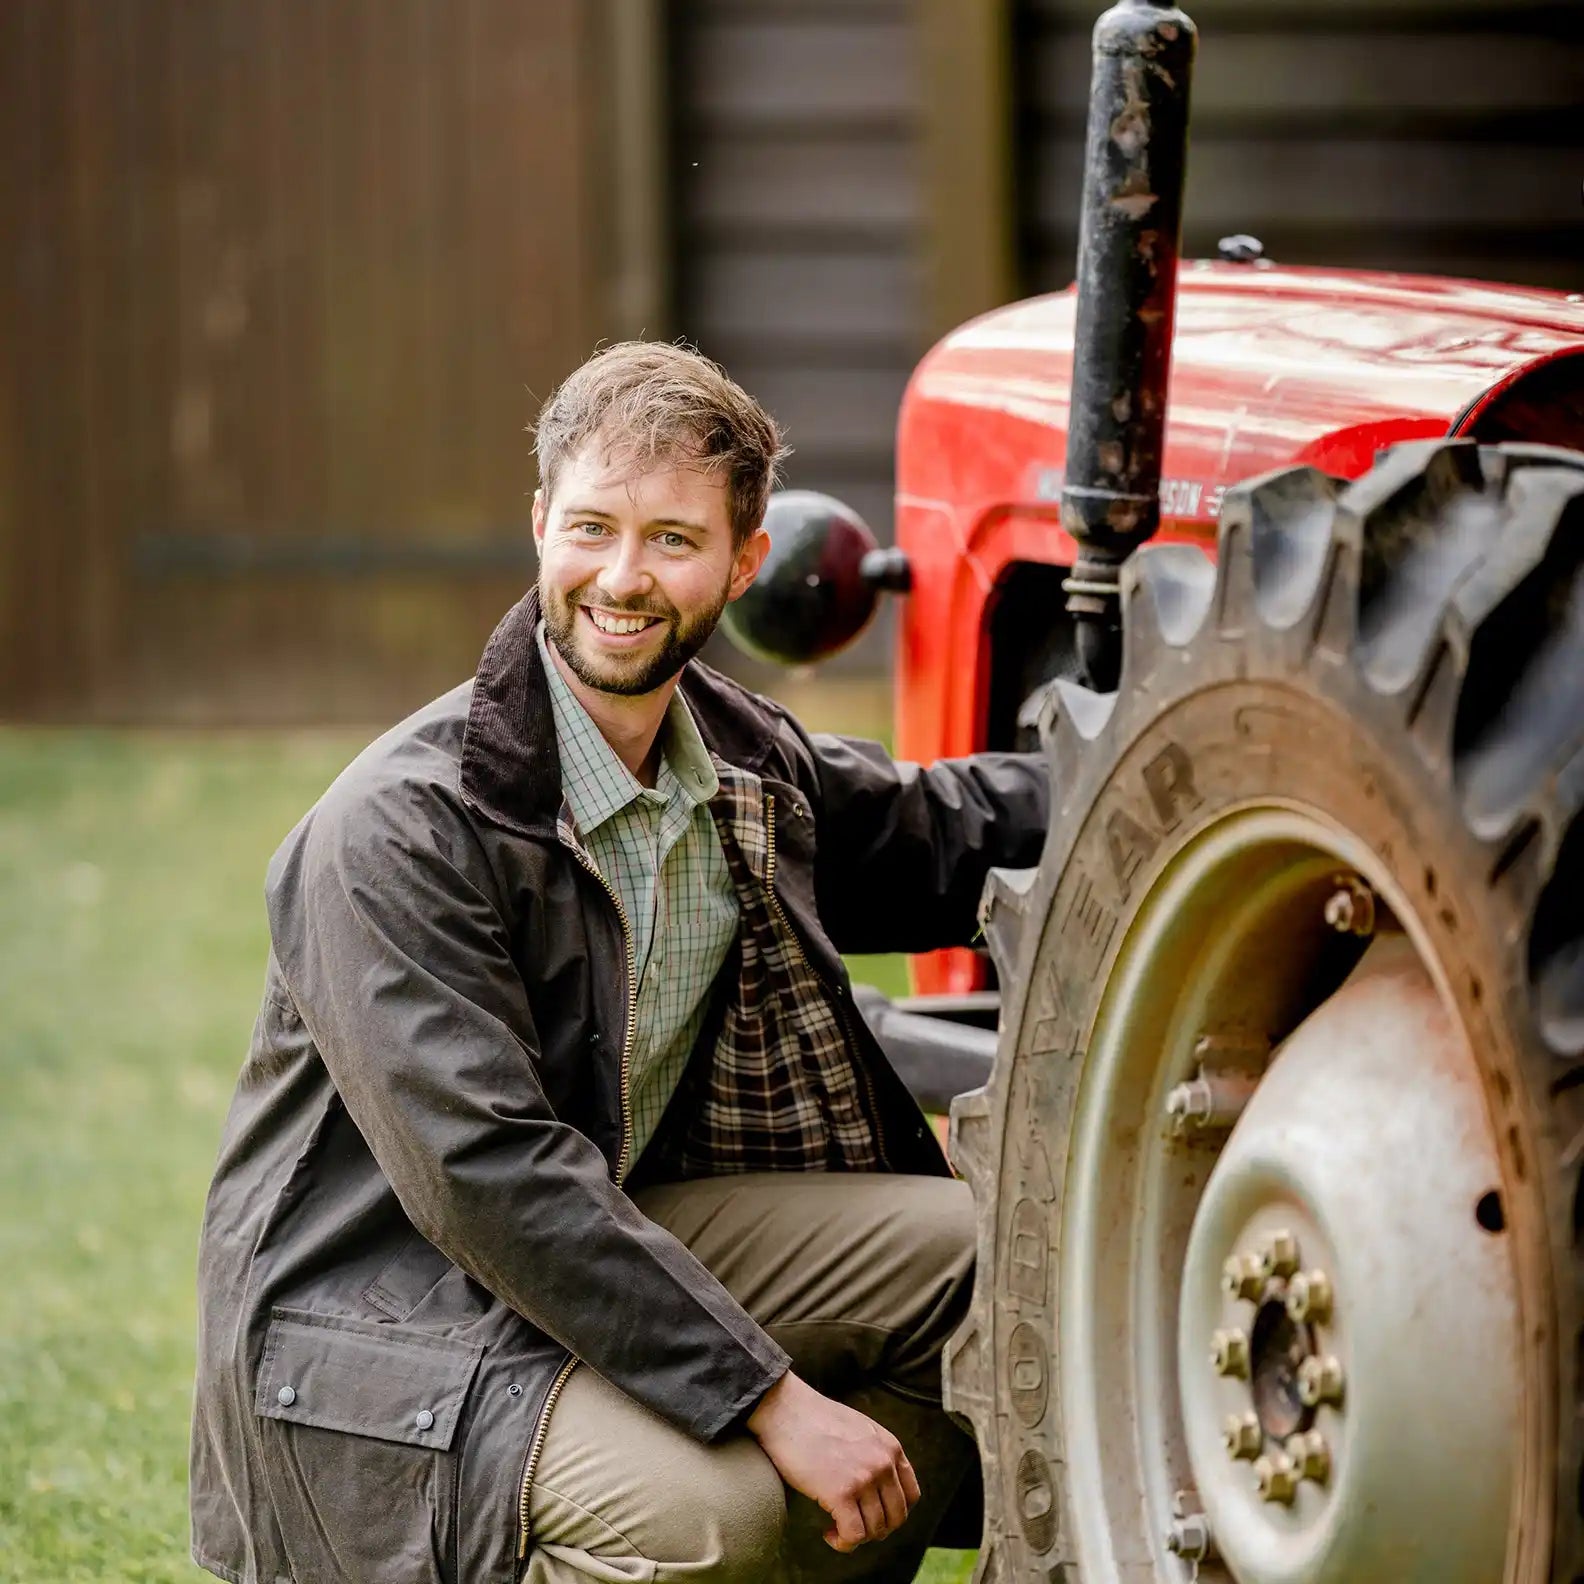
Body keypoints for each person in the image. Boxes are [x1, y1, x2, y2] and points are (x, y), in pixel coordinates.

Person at [190, 341, 1049, 1584]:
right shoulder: (396, 828)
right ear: (540, 522)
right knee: (722, 1517)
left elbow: (946, 831)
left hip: (614, 1234)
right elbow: (491, 1176)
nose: (623, 578)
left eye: (672, 540)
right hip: (396, 1324)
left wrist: (1199, 741)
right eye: (591, 527)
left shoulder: (738, 768)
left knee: (1013, 1254)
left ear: (747, 564)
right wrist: (770, 1401)